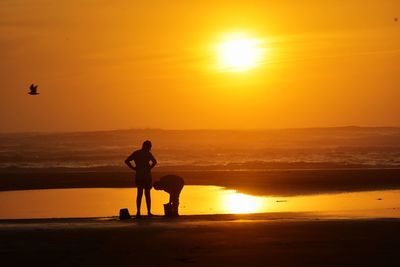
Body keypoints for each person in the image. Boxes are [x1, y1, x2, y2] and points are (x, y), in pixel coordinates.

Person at [124, 140, 157, 218]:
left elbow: (127, 161)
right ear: (148, 147)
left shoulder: (136, 153)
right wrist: (150, 168)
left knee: (139, 194)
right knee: (147, 194)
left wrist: (134, 168)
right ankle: (149, 212)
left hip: (139, 175)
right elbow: (155, 162)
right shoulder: (148, 153)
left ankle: (138, 213)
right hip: (146, 175)